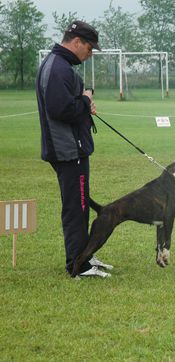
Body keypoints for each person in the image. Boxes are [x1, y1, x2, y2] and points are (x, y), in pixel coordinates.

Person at [36, 20, 113, 278]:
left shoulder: (60, 65)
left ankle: (84, 256)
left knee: (79, 205)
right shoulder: (58, 68)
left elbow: (72, 102)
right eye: (90, 48)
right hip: (68, 151)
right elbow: (61, 109)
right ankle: (77, 264)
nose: (90, 54)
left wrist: (84, 100)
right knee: (76, 207)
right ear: (76, 41)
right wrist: (84, 101)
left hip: (71, 148)